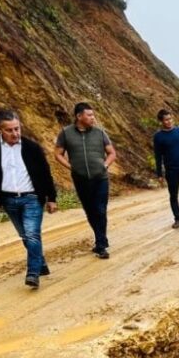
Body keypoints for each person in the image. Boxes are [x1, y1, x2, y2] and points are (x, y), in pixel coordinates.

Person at [0, 110, 58, 289]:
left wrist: (52, 197)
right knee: (24, 236)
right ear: (0, 130)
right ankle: (40, 263)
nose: (15, 133)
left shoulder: (32, 147)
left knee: (32, 234)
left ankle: (33, 273)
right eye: (10, 130)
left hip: (32, 198)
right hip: (8, 199)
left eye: (17, 129)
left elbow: (45, 173)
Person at [54, 102, 116, 259]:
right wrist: (70, 167)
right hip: (80, 179)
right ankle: (100, 238)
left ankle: (101, 245)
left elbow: (111, 153)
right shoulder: (66, 133)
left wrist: (105, 165)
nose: (92, 118)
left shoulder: (100, 133)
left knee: (100, 210)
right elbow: (58, 153)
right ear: (79, 116)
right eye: (89, 115)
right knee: (90, 211)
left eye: (93, 115)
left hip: (100, 178)